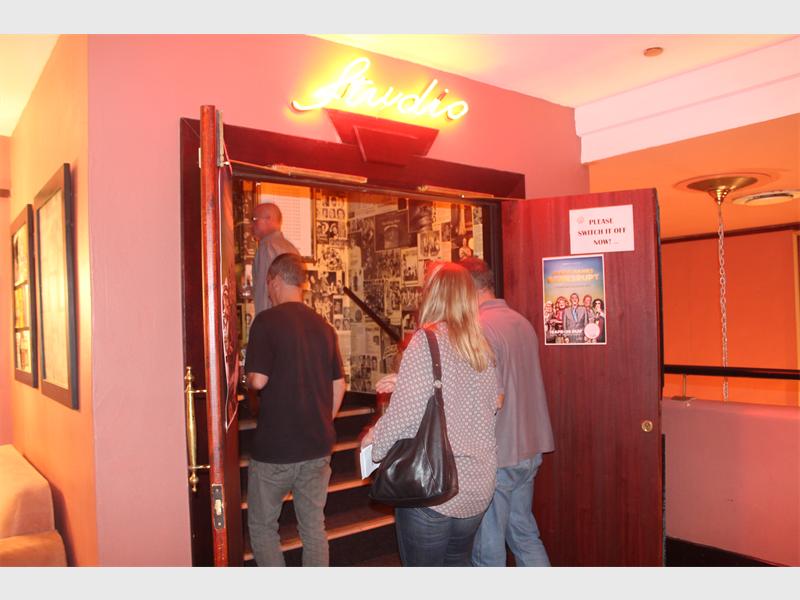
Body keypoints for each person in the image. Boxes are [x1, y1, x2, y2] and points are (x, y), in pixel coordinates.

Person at [362, 262, 501, 567]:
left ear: (433, 295)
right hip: (478, 485)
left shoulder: (426, 341)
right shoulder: (481, 346)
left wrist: (374, 444)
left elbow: (405, 417)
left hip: (436, 486)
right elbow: (487, 405)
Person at [244, 253, 346, 567]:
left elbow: (258, 381)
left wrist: (243, 376)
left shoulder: (266, 321)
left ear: (274, 281)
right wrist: (323, 420)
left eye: (267, 285)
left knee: (263, 526)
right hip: (317, 446)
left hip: (276, 449)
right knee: (313, 527)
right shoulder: (323, 326)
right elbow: (339, 385)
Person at [460, 257, 555, 567]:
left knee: (487, 551)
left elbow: (487, 399)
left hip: (499, 454)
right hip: (530, 449)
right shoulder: (521, 321)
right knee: (525, 536)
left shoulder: (478, 328)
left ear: (467, 289)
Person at [251, 202, 300, 315]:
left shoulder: (267, 248)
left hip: (273, 320)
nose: (251, 225)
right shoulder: (291, 248)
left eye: (254, 219)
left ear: (269, 219)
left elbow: (264, 293)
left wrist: (263, 322)